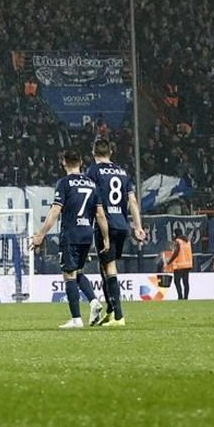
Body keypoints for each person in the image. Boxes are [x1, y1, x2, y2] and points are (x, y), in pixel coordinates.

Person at [29, 149, 109, 329]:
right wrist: (106, 238)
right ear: (81, 162)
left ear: (63, 162)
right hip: (87, 234)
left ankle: (76, 319)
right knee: (77, 271)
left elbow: (55, 210)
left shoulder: (64, 183)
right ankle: (94, 301)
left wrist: (41, 234)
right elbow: (100, 214)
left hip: (71, 233)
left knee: (69, 275)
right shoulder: (92, 184)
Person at [83, 138, 147, 325]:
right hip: (122, 225)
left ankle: (119, 317)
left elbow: (89, 198)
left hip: (105, 224)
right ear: (110, 152)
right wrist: (138, 226)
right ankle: (111, 311)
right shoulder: (122, 172)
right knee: (104, 266)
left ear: (94, 153)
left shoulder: (93, 171)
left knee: (109, 267)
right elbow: (132, 201)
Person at [166, 232, 192, 300]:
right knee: (185, 282)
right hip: (187, 265)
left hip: (179, 265)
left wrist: (169, 261)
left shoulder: (178, 241)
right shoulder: (187, 241)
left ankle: (180, 296)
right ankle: (186, 297)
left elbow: (176, 252)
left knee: (177, 281)